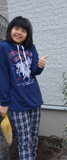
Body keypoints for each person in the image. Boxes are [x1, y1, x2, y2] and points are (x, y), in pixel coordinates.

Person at [0, 16, 49, 160]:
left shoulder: (31, 48)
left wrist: (39, 66)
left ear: (28, 34)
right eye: (16, 29)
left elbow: (33, 72)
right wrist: (3, 102)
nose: (19, 32)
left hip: (34, 99)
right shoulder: (3, 47)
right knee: (24, 139)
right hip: (17, 102)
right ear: (10, 30)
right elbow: (2, 76)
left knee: (33, 136)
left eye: (24, 30)